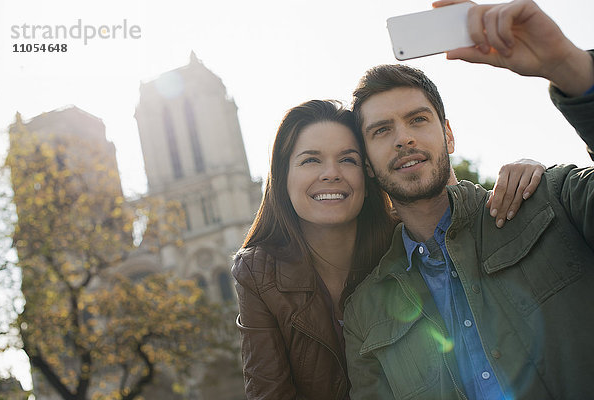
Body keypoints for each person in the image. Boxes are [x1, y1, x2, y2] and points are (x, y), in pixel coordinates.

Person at [343, 1, 594, 399]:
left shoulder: (552, 199)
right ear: (369, 167)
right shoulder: (363, 315)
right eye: (381, 130)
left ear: (449, 135)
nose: (403, 137)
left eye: (418, 119)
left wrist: (568, 65)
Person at [231, 99, 544, 398]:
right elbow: (268, 392)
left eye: (347, 159)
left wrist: (526, 169)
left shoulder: (409, 241)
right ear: (282, 176)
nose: (331, 173)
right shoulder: (258, 273)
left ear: (368, 173)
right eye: (311, 160)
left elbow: (458, 205)